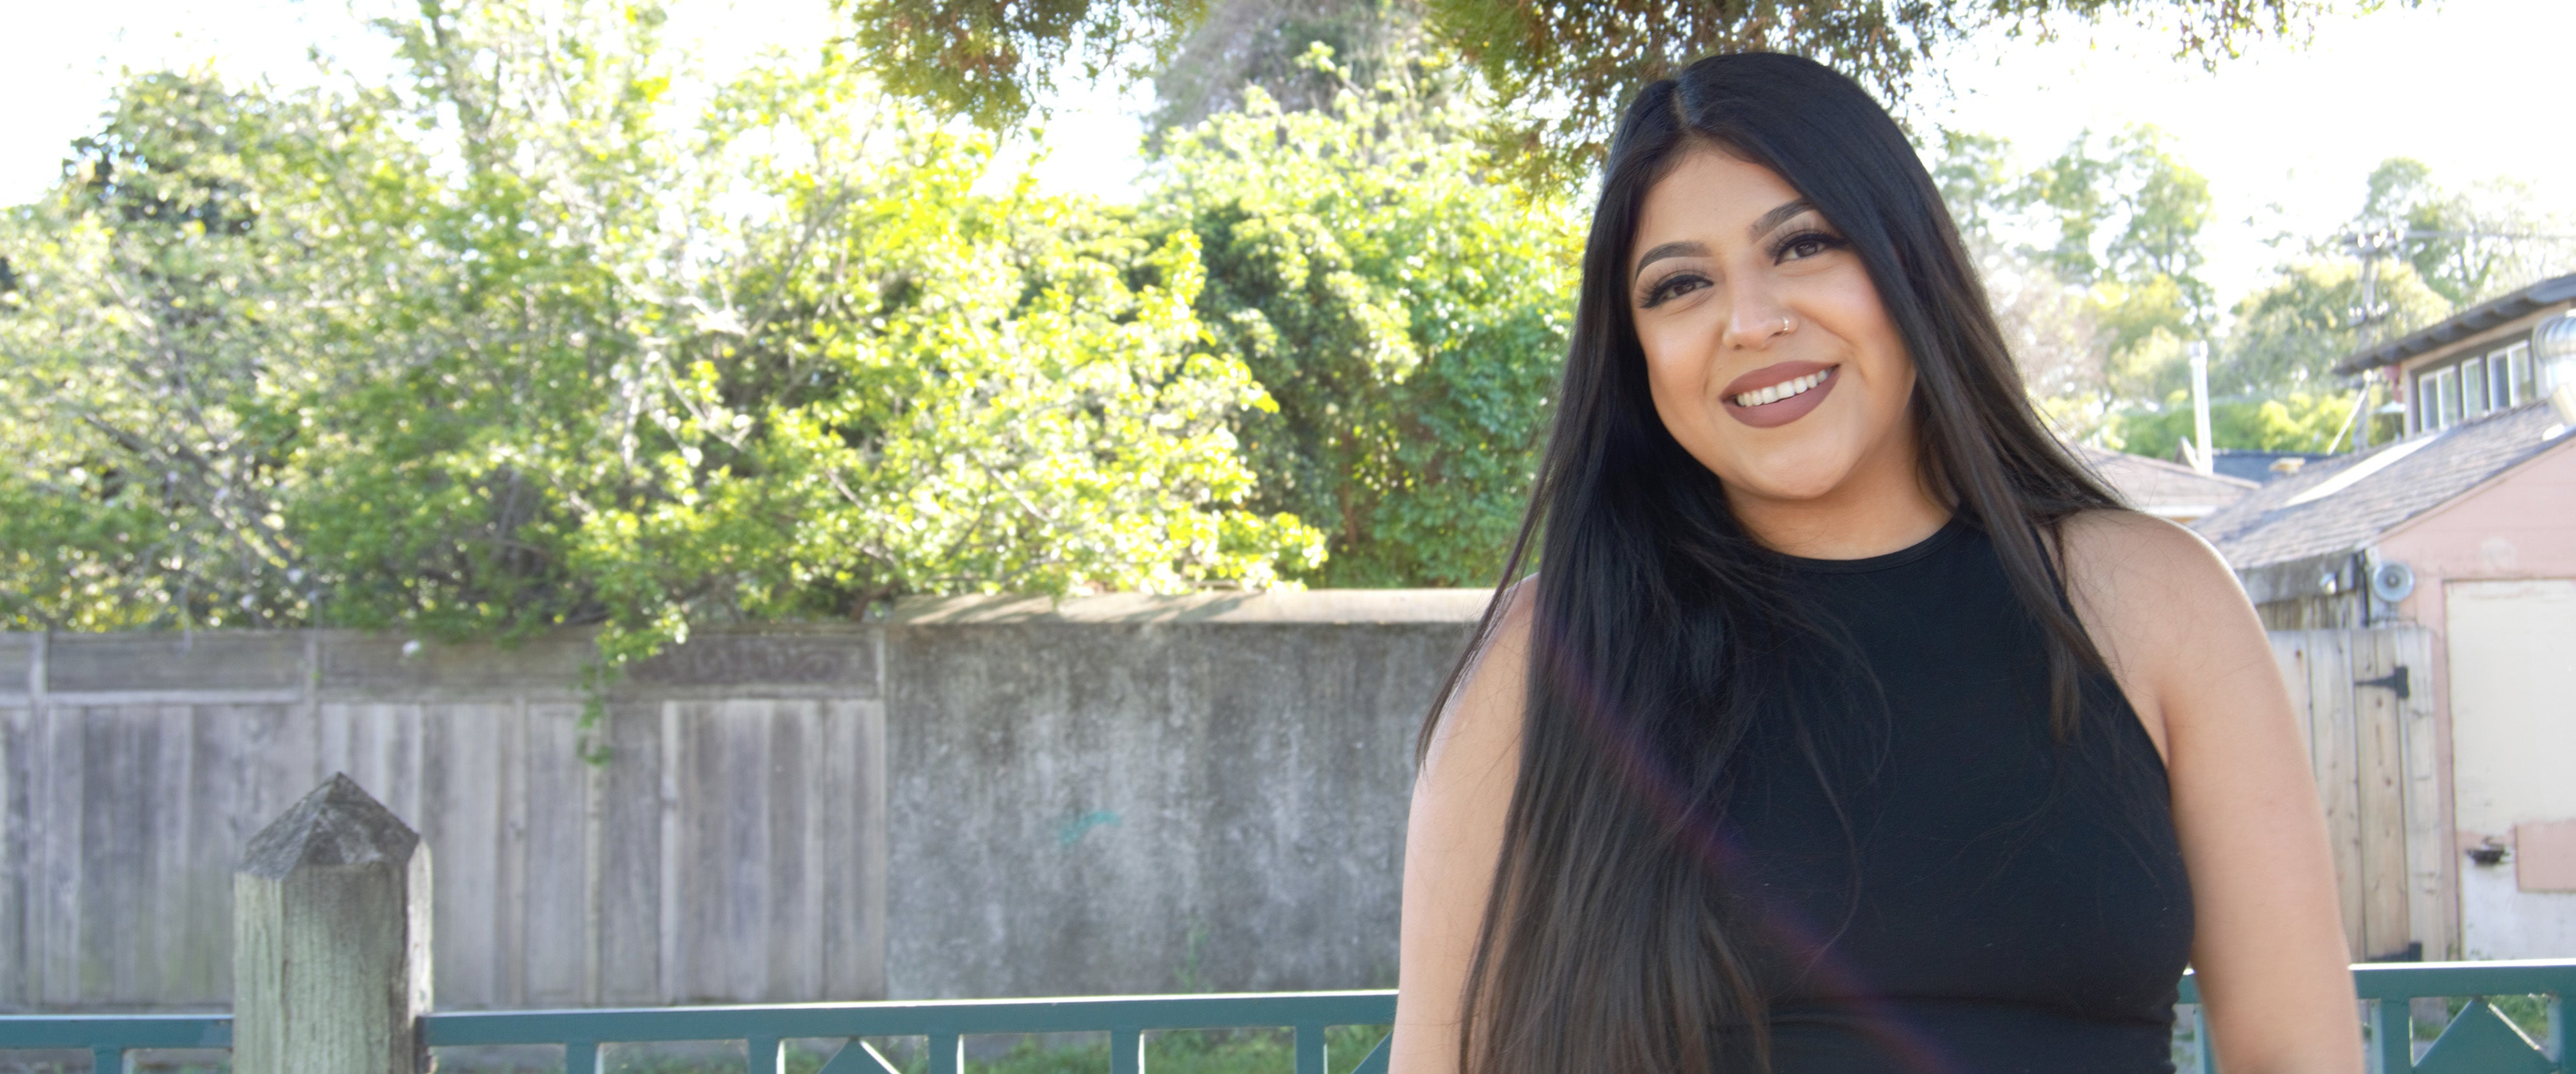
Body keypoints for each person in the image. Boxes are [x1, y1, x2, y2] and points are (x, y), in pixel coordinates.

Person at [1391, 54, 2360, 1073]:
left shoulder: (2153, 603)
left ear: (1909, 264)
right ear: (1633, 353)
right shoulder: (1547, 661)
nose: (1750, 319)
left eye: (1803, 244)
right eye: (1679, 285)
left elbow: (2298, 1052)